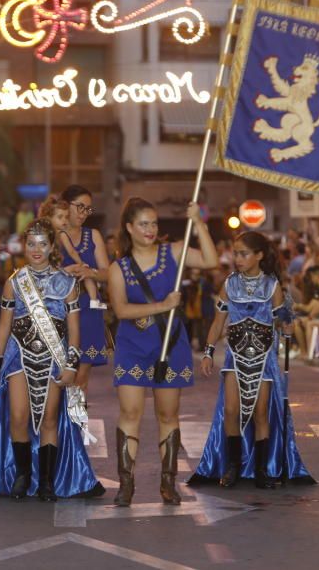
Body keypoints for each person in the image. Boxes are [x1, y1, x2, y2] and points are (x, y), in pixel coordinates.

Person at [0, 219, 104, 501]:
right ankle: (22, 475)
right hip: (18, 356)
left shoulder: (67, 283)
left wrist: (71, 364)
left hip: (54, 358)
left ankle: (46, 481)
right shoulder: (15, 282)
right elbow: (4, 326)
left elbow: (74, 329)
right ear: (24, 246)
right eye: (31, 243)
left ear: (52, 246)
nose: (37, 249)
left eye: (43, 243)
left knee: (50, 419)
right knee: (18, 416)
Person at [107, 198, 218, 506]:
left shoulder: (174, 253)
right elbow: (121, 309)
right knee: (130, 413)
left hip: (170, 344)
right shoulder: (119, 268)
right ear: (129, 228)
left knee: (168, 415)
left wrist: (198, 223)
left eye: (154, 223)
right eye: (143, 223)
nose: (150, 229)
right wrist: (162, 306)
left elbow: (211, 260)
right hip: (132, 345)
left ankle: (168, 483)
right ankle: (125, 484)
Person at [189, 231, 314, 488]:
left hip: (264, 359)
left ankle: (261, 470)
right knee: (232, 410)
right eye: (236, 253)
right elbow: (218, 322)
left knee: (260, 414)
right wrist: (208, 352)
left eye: (243, 253)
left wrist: (287, 326)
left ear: (259, 255)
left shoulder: (273, 286)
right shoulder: (229, 284)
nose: (237, 258)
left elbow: (282, 321)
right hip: (234, 357)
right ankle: (233, 467)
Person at [59, 185, 112, 390]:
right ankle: (57, 419)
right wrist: (64, 272)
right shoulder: (52, 235)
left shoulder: (93, 235)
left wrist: (92, 273)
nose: (83, 214)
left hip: (88, 307)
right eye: (79, 207)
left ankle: (77, 419)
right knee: (60, 374)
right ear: (65, 205)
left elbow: (107, 272)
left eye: (88, 209)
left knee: (81, 377)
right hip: (58, 309)